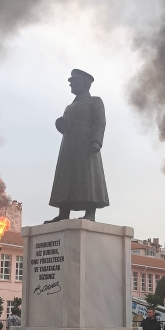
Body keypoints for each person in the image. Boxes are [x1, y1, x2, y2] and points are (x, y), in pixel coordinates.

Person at [45, 69, 109, 223]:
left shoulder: (95, 101)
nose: (70, 84)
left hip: (85, 143)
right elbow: (65, 126)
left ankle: (90, 213)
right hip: (68, 144)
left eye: (74, 81)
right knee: (66, 177)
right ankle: (63, 213)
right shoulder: (69, 107)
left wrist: (96, 141)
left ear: (85, 84)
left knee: (88, 176)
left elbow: (100, 122)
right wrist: (60, 125)